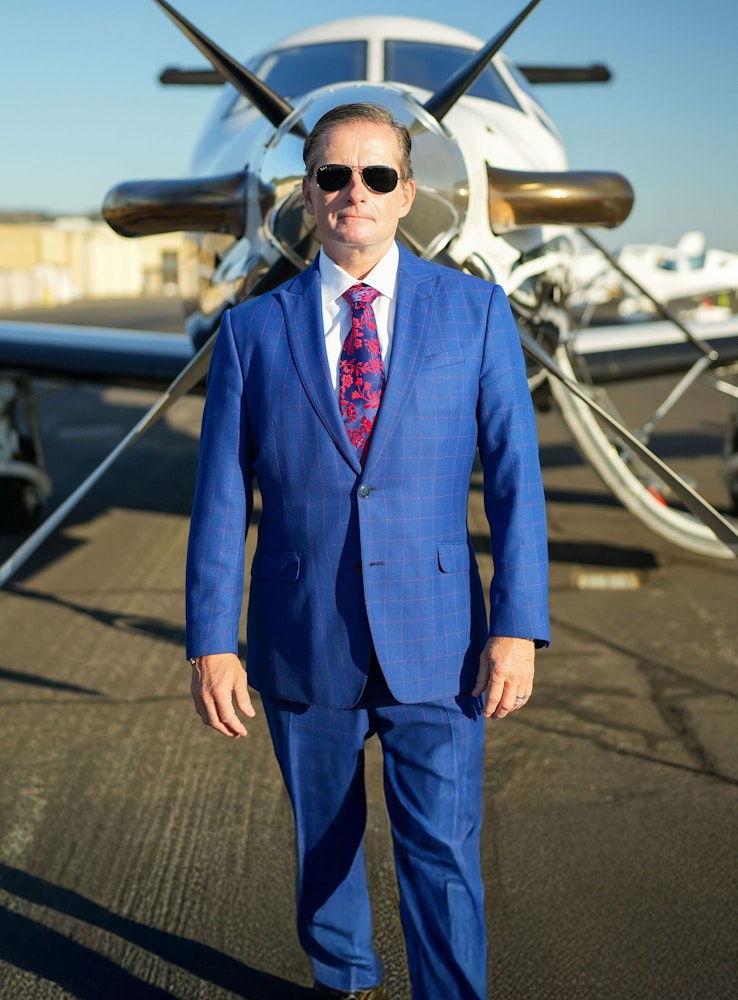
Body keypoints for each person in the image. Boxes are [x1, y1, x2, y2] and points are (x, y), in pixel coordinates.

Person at [185, 102, 549, 1000]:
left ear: (407, 193)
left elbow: (515, 480)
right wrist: (211, 643)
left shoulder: (476, 313)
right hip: (301, 634)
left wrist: (517, 627)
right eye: (335, 175)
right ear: (307, 194)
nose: (357, 191)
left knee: (444, 853)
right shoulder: (249, 332)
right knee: (325, 846)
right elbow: (222, 500)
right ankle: (343, 981)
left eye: (378, 175)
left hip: (443, 640)